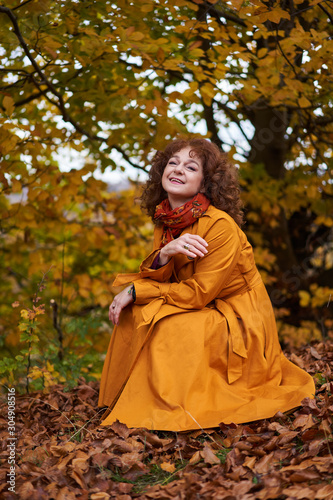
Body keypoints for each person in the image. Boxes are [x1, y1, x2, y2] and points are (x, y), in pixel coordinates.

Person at [98, 138, 315, 432]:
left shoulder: (221, 226)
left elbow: (199, 293)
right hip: (198, 300)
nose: (178, 170)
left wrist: (137, 290)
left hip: (238, 317)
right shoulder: (166, 220)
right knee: (133, 315)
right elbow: (167, 278)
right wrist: (164, 253)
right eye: (172, 163)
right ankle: (124, 400)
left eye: (191, 166)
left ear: (204, 183)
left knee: (168, 325)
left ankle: (166, 409)